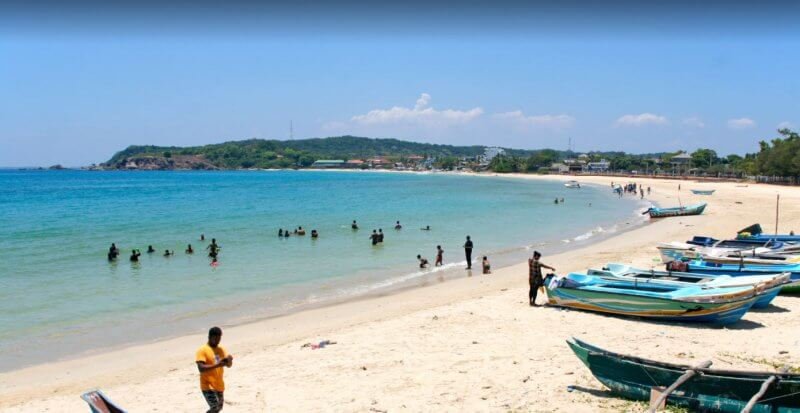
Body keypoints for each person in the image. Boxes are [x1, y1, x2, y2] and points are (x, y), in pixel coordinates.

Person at [196, 327, 233, 413]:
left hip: (219, 384)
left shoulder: (221, 349)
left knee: (218, 408)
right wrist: (218, 365)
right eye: (215, 338)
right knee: (215, 407)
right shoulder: (202, 350)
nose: (217, 341)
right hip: (207, 385)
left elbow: (228, 365)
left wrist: (229, 361)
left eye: (219, 338)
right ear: (209, 337)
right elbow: (201, 368)